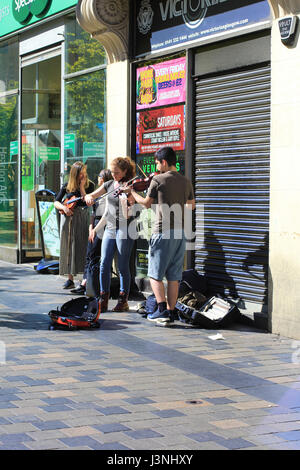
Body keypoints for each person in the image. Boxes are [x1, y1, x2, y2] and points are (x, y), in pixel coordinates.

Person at [128, 146, 195, 324]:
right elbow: (192, 205)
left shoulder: (158, 180)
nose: (156, 167)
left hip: (163, 231)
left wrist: (132, 193)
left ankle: (161, 310)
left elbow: (146, 203)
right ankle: (172, 312)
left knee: (155, 275)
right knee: (174, 276)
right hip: (180, 232)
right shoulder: (186, 181)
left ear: (164, 162)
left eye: (157, 163)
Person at [85, 157, 137, 312]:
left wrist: (126, 198)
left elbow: (128, 214)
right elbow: (101, 205)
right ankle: (104, 298)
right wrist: (89, 197)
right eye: (112, 172)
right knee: (104, 263)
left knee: (122, 265)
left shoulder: (130, 187)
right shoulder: (108, 185)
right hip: (110, 228)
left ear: (125, 172)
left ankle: (123, 300)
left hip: (125, 228)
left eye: (117, 173)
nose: (114, 175)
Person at [71, 169, 113, 295]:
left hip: (101, 226)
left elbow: (105, 215)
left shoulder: (106, 195)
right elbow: (91, 208)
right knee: (89, 254)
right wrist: (90, 227)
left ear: (104, 178)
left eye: (100, 176)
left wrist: (94, 229)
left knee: (93, 254)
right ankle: (85, 282)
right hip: (94, 225)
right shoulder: (98, 193)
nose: (98, 177)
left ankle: (87, 284)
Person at [54, 161, 94, 289]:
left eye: (84, 173)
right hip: (69, 218)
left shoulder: (90, 185)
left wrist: (82, 187)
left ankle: (84, 279)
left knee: (82, 245)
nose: (83, 176)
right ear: (75, 174)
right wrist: (64, 208)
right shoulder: (67, 186)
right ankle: (70, 278)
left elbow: (87, 201)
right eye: (80, 174)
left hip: (82, 217)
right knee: (69, 246)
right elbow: (56, 201)